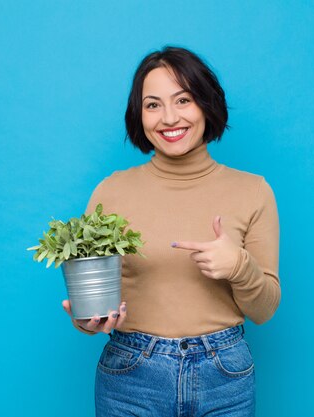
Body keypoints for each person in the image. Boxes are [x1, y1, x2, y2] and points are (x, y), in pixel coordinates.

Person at [61, 46, 280, 417]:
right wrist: (87, 320)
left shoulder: (253, 191)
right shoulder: (110, 192)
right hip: (130, 374)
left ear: (206, 104)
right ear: (139, 115)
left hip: (224, 375)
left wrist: (239, 267)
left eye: (183, 100)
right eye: (153, 105)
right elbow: (93, 298)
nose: (169, 117)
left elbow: (265, 310)